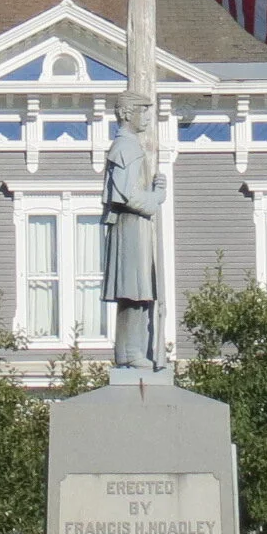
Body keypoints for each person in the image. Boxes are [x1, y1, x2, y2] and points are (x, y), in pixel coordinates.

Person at [101, 98, 166, 369]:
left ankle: (133, 350)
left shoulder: (129, 146)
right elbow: (126, 195)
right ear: (128, 113)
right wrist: (157, 196)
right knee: (134, 290)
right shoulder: (127, 147)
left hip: (134, 226)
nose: (148, 118)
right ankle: (131, 351)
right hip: (130, 225)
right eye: (143, 111)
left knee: (140, 290)